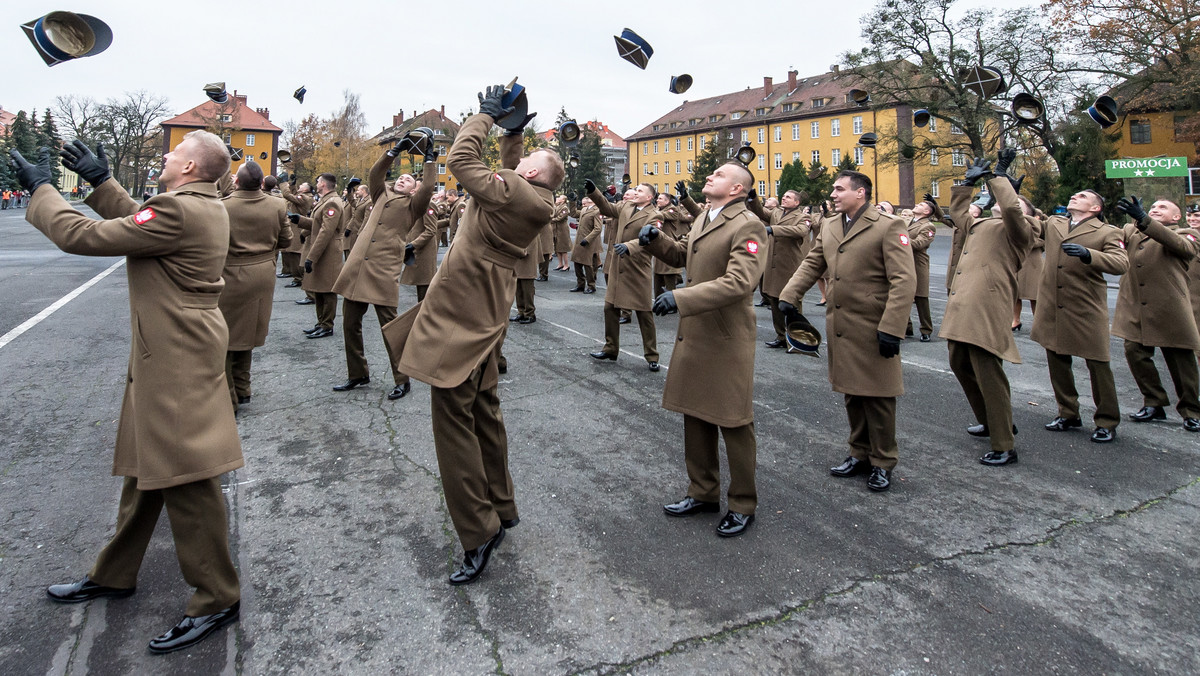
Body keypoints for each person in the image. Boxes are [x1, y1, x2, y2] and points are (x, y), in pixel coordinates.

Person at [12, 133, 242, 653]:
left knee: (187, 477)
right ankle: (114, 572)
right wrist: (100, 181)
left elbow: (84, 237)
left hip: (177, 362)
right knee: (146, 468)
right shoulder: (195, 204)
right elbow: (144, 223)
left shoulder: (180, 211)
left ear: (187, 167)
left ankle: (217, 597)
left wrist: (43, 189)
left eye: (170, 154)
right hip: (173, 355)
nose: (164, 156)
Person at [385, 85, 561, 584]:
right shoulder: (532, 194)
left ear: (529, 175)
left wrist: (483, 116)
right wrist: (515, 132)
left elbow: (462, 160)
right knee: (484, 410)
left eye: (525, 160)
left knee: (452, 422)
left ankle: (479, 530)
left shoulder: (514, 191)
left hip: (461, 316)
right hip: (482, 309)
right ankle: (502, 507)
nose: (518, 163)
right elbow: (512, 169)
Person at [639, 162, 767, 535]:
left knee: (734, 420)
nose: (710, 176)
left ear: (738, 190)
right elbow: (682, 255)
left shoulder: (748, 224)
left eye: (720, 175)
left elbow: (739, 282)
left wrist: (681, 297)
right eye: (712, 173)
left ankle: (743, 502)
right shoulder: (704, 217)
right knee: (694, 413)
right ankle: (703, 492)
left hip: (726, 336)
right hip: (697, 331)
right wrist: (656, 241)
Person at [779, 170, 916, 491]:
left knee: (879, 396)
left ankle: (883, 461)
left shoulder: (888, 225)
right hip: (841, 324)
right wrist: (789, 295)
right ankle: (859, 453)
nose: (834, 193)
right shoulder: (830, 225)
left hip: (875, 325)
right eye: (833, 189)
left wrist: (893, 328)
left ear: (861, 194)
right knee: (852, 392)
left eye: (840, 189)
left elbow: (904, 280)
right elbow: (813, 263)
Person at [939, 151, 1031, 466]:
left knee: (988, 371)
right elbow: (959, 213)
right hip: (963, 304)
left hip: (987, 305)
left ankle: (1004, 443)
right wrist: (966, 183)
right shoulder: (980, 226)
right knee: (960, 362)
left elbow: (1012, 209)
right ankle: (992, 420)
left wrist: (999, 177)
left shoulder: (1020, 231)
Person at [330, 142, 437, 401]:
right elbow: (376, 174)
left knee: (391, 326)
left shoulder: (415, 206)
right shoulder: (380, 194)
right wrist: (393, 152)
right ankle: (358, 374)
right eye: (400, 177)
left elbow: (429, 187)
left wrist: (430, 159)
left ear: (414, 189)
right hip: (358, 266)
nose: (403, 179)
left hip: (383, 269)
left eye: (409, 179)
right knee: (350, 324)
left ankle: (402, 380)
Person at [1031, 189, 1128, 442]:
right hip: (1053, 304)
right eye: (1074, 195)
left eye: (1083, 196)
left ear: (1096, 208)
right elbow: (1025, 222)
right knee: (1056, 359)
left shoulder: (1108, 231)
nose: (1075, 196)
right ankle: (1068, 413)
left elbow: (1120, 263)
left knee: (1098, 364)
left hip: (1085, 306)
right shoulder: (1055, 223)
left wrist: (1089, 255)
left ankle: (1107, 420)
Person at [1111, 197, 1200, 432]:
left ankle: (1191, 410)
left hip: (1169, 308)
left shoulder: (1186, 232)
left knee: (1181, 361)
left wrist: (1144, 218)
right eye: (1152, 207)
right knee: (1134, 352)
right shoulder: (1133, 231)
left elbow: (1184, 248)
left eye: (1162, 207)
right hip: (1136, 307)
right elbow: (1108, 238)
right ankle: (1154, 402)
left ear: (1176, 216)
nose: (1155, 209)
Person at [219, 161, 291, 410]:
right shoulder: (278, 204)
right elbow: (286, 239)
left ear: (236, 182)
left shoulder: (223, 206)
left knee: (226, 336)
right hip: (263, 272)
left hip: (231, 273)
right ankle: (243, 387)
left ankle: (229, 396)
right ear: (262, 183)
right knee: (248, 332)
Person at [586, 180, 662, 370]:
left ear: (649, 197)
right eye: (635, 190)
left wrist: (629, 247)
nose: (635, 192)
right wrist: (594, 192)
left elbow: (650, 239)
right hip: (618, 265)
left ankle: (652, 355)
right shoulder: (626, 206)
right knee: (609, 308)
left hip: (637, 267)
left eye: (640, 191)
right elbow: (607, 207)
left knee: (644, 313)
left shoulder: (655, 215)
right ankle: (610, 348)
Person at [748, 189, 812, 348]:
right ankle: (781, 336)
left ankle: (796, 337)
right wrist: (753, 197)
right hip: (773, 265)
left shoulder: (802, 217)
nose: (784, 198)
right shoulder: (776, 213)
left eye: (788, 197)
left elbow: (801, 231)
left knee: (792, 302)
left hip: (789, 265)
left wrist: (774, 229)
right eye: (783, 196)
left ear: (796, 202)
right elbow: (759, 211)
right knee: (774, 301)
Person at [292, 174, 345, 338]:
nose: (316, 183)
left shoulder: (332, 203)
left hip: (327, 252)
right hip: (322, 250)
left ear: (323, 184)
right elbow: (318, 224)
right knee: (318, 288)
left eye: (318, 181)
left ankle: (327, 325)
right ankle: (321, 322)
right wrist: (299, 220)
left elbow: (326, 232)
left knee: (327, 289)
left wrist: (311, 257)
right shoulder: (326, 200)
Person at [904, 195, 939, 341]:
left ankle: (926, 329)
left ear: (927, 212)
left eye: (921, 205)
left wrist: (898, 238)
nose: (917, 205)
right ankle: (907, 328)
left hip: (918, 263)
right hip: (905, 262)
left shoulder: (928, 226)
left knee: (921, 298)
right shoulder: (908, 221)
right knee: (903, 295)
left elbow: (919, 244)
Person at [652, 191, 693, 300]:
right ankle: (658, 300)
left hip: (669, 245)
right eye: (658, 198)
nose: (657, 200)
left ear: (667, 201)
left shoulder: (673, 209)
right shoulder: (659, 210)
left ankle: (672, 301)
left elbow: (662, 216)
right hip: (659, 246)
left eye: (660, 199)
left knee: (668, 275)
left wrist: (650, 209)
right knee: (657, 276)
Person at [279, 178, 314, 290]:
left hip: (297, 228)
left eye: (302, 185)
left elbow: (288, 195)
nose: (299, 187)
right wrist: (292, 185)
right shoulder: (302, 196)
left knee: (295, 254)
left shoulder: (305, 197)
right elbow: (294, 194)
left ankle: (299, 278)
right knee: (291, 253)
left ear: (306, 189)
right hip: (294, 227)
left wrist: (284, 183)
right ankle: (296, 276)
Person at [570, 196, 602, 293]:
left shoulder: (597, 211)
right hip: (579, 240)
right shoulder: (584, 209)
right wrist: (572, 202)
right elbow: (574, 213)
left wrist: (588, 239)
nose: (584, 203)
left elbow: (598, 228)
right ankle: (580, 284)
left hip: (589, 242)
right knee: (577, 263)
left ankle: (591, 286)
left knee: (589, 265)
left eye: (586, 201)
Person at [551, 194, 571, 270]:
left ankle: (566, 265)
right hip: (556, 229)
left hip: (562, 230)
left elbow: (560, 218)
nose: (558, 198)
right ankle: (560, 264)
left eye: (560, 197)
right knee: (557, 247)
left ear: (563, 200)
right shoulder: (557, 206)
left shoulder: (565, 208)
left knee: (563, 248)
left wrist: (551, 220)